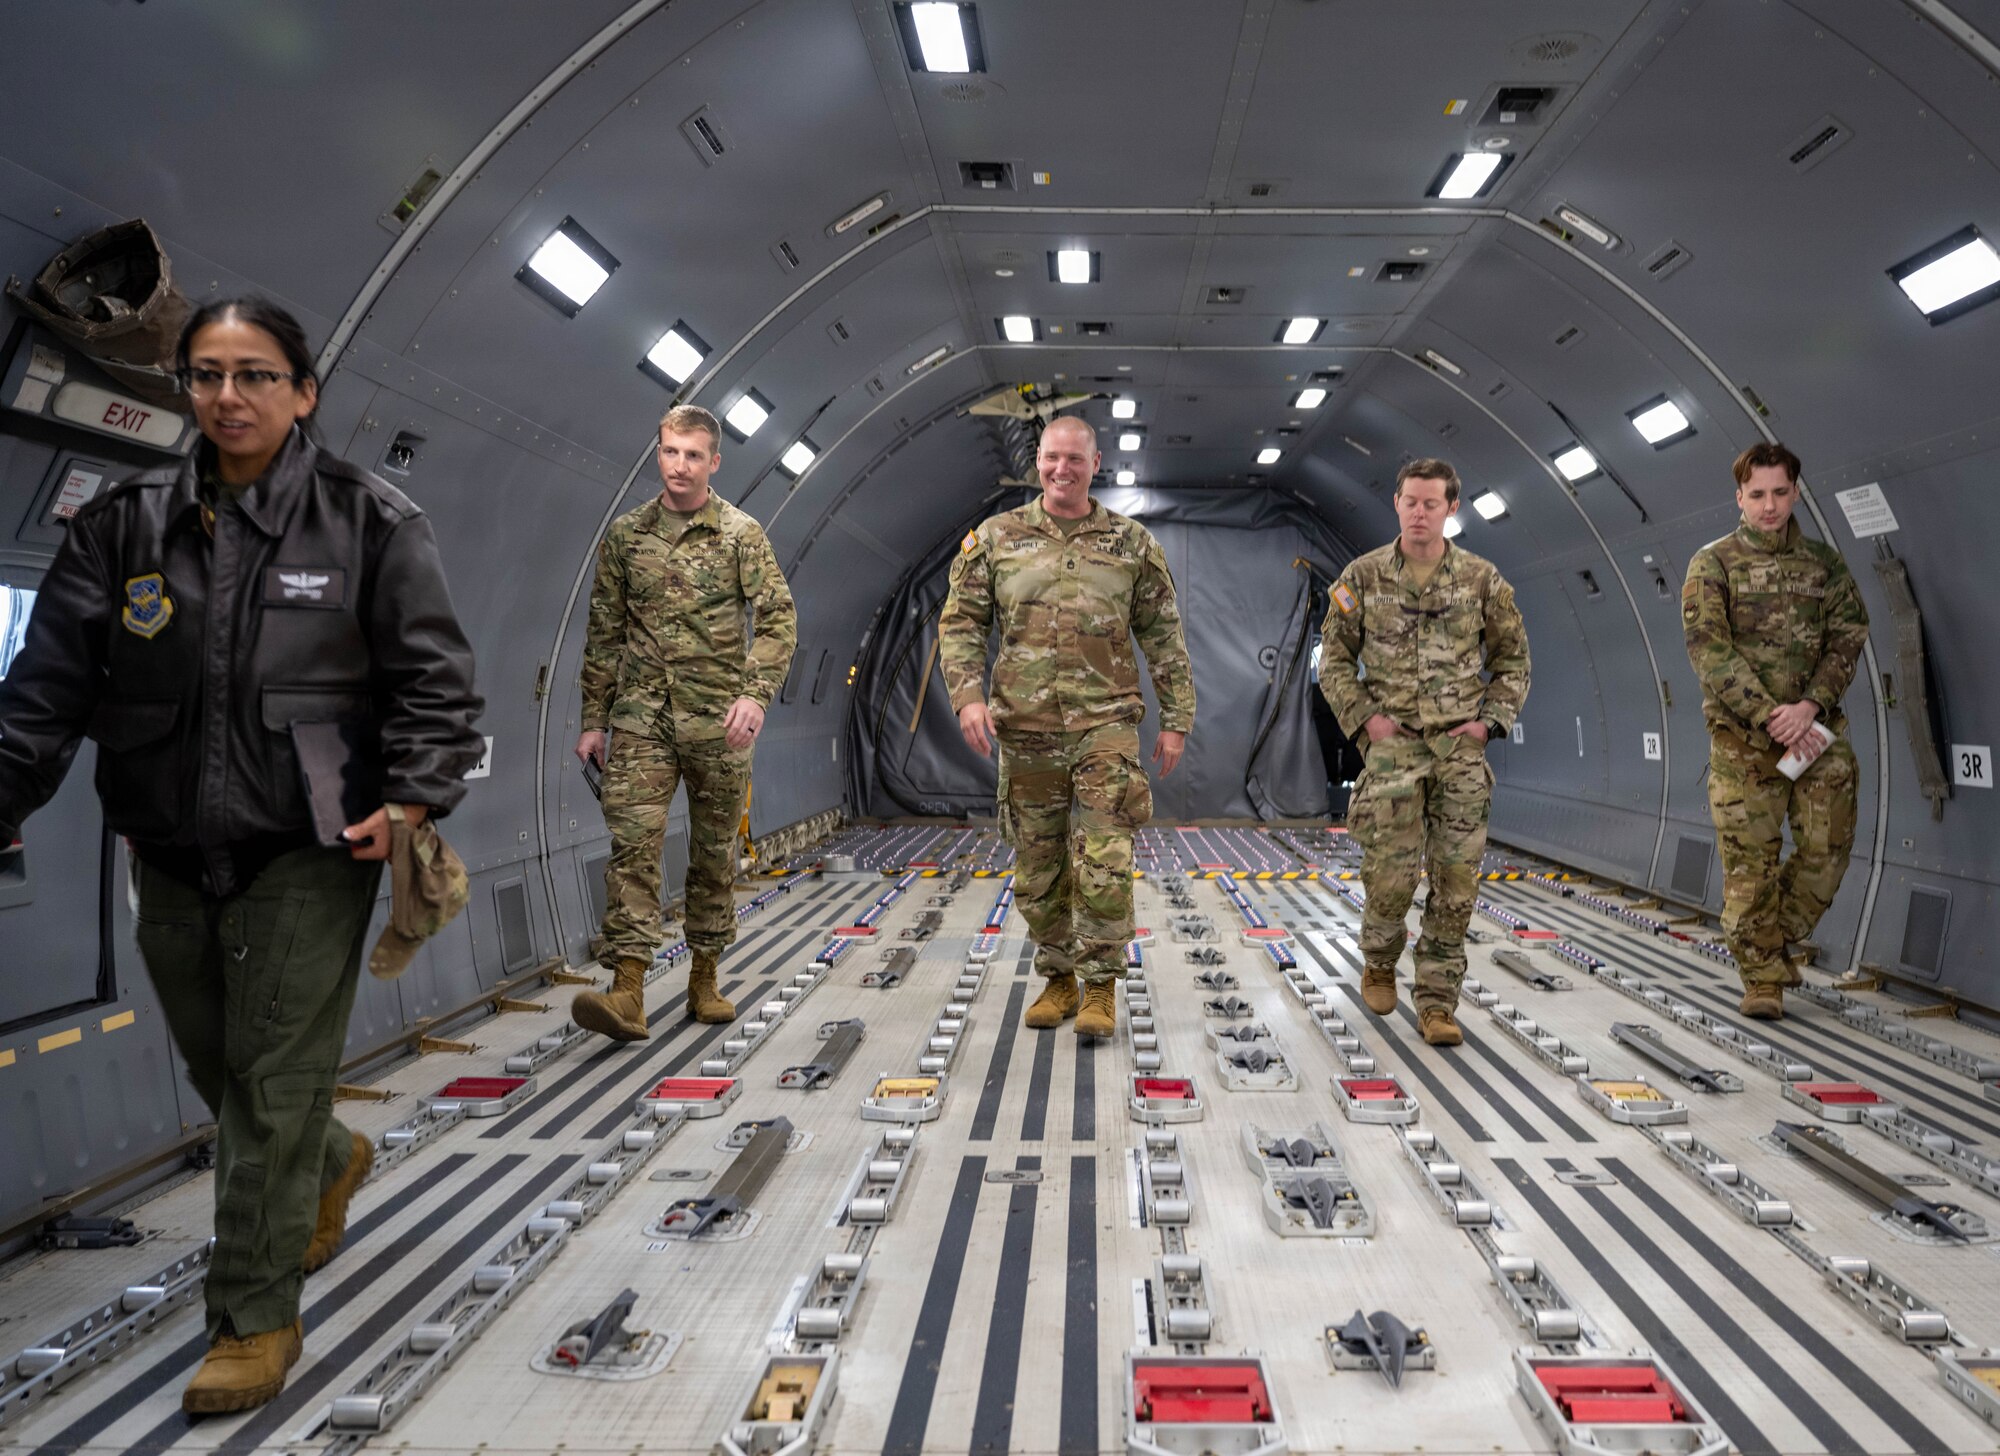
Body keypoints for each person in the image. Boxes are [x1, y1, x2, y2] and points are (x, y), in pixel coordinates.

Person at [0, 298, 484, 1413]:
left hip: (312, 844)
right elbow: (46, 691)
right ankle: (330, 1159)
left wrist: (411, 796)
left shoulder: (369, 520)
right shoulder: (122, 525)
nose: (230, 396)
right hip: (168, 845)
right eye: (208, 374)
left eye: (256, 374)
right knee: (222, 1069)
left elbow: (437, 681)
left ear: (302, 392)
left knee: (268, 1087)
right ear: (185, 388)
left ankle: (253, 1317)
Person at [938, 414, 1195, 1039]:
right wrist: (967, 697)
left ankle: (1101, 985)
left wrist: (1177, 718)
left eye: (1075, 459)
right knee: (1039, 867)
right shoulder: (997, 539)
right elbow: (961, 622)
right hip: (1025, 730)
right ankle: (1059, 978)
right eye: (1052, 457)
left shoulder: (1131, 544)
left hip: (1105, 724)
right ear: (1038, 461)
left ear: (1095, 463)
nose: (1062, 469)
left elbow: (1163, 635)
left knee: (1105, 859)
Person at [573, 404, 796, 1038]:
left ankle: (704, 977)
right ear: (658, 453)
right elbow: (604, 632)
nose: (680, 465)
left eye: (693, 455)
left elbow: (778, 619)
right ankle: (628, 989)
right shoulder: (626, 536)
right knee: (633, 847)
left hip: (718, 722)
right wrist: (594, 719)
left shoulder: (740, 534)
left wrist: (755, 696)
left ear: (713, 462)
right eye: (671, 451)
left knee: (713, 852)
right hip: (641, 718)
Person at [1318, 458, 1530, 1047]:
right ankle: (1380, 959)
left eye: (1431, 503)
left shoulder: (1482, 581)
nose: (1419, 513)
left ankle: (1437, 1002)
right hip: (1394, 751)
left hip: (1459, 751)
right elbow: (1334, 660)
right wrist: (1368, 724)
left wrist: (1488, 724)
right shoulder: (1362, 577)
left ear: (1451, 509)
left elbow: (1514, 661)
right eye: (1410, 501)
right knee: (1390, 875)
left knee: (1457, 882)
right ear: (1396, 503)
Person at [1682, 442, 1868, 1021]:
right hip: (1744, 744)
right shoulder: (1713, 564)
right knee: (1750, 871)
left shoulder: (1824, 565)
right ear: (1739, 497)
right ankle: (1762, 978)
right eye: (1758, 494)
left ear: (1795, 493)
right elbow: (1709, 651)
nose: (1769, 506)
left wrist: (1810, 705)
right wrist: (1769, 714)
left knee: (1827, 852)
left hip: (1814, 735)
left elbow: (1848, 635)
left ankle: (1773, 939)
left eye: (1780, 493)